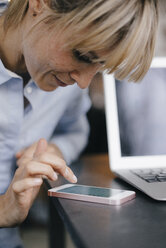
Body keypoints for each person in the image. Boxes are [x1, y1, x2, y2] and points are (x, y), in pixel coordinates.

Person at [0, 0, 158, 247]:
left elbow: (74, 131)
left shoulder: (65, 80)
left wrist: (54, 150)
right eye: (81, 55)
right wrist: (3, 210)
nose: (83, 83)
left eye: (99, 65)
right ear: (40, 4)